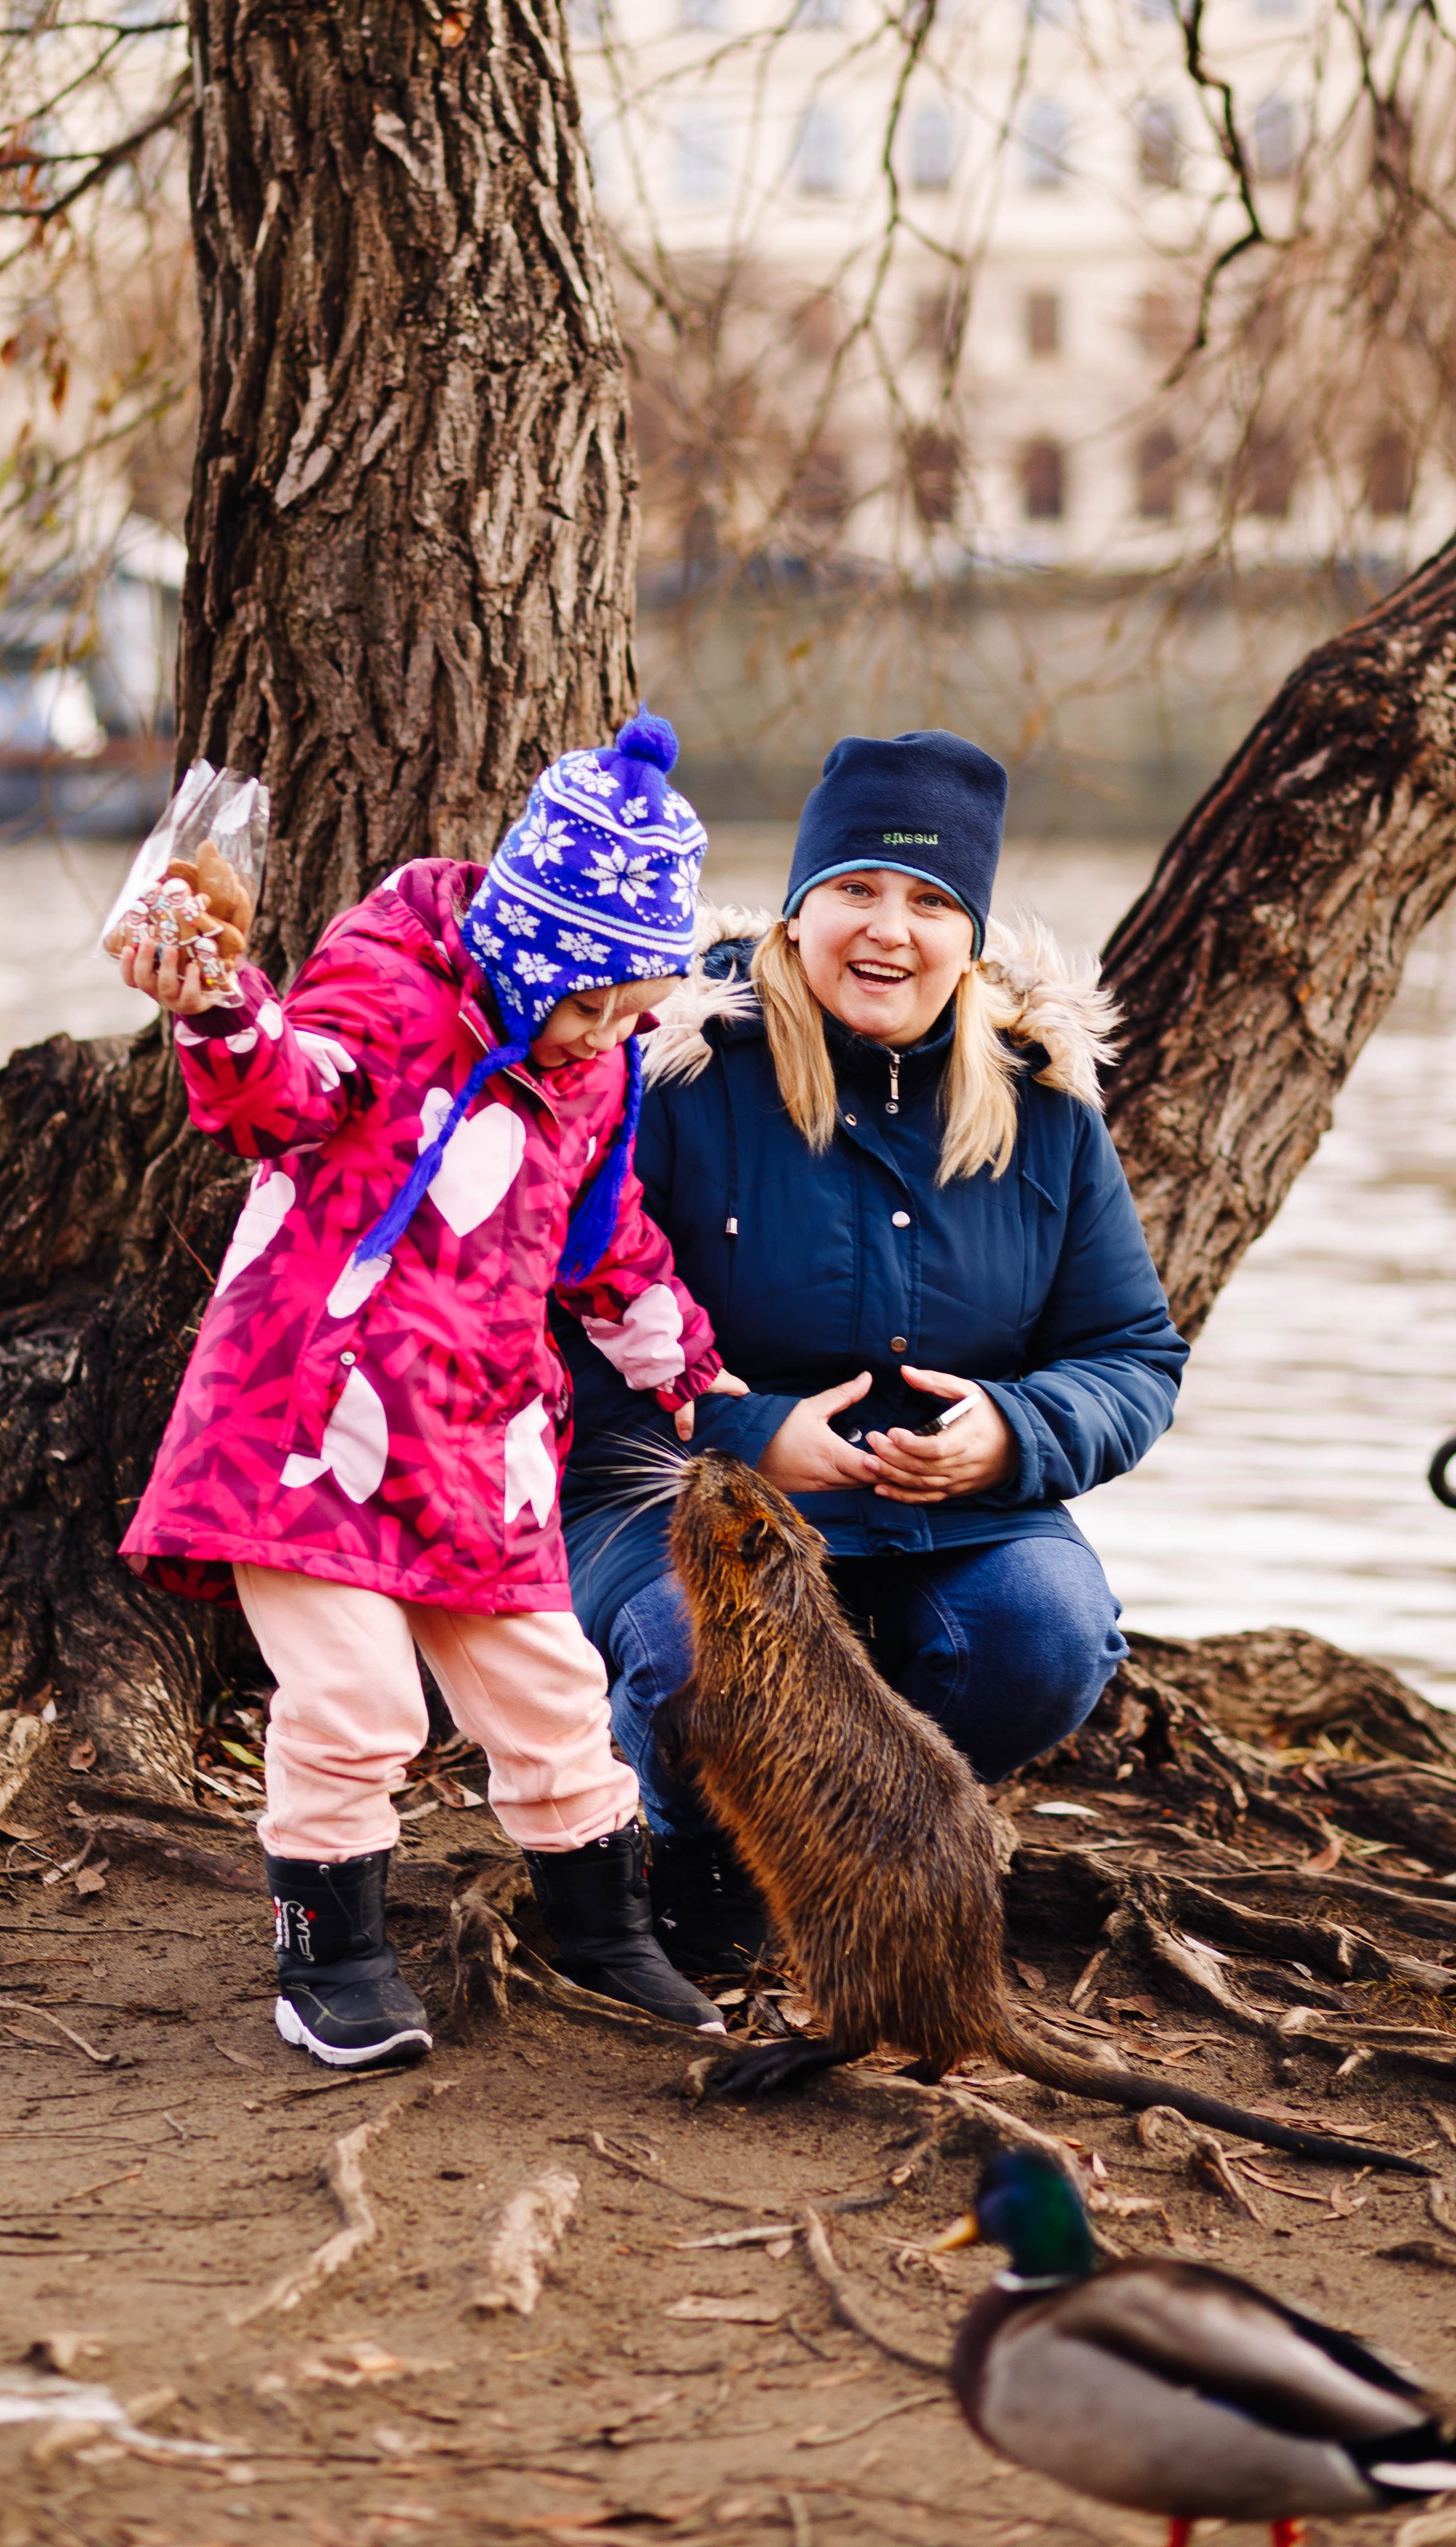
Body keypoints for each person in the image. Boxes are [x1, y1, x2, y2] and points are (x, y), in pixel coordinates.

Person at [122, 712, 748, 2065]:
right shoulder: (389, 996)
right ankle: (329, 1952)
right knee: (359, 1703)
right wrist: (223, 1009)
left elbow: (603, 1221)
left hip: (482, 1431)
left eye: (634, 1009)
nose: (607, 1034)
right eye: (591, 1004)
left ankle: (601, 1923)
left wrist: (662, 1337)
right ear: (529, 956)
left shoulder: (595, 1065)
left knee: (554, 1691)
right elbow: (283, 1094)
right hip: (310, 1418)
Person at [557, 727, 1188, 1979]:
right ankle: (700, 1861)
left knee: (1048, 1639)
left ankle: (867, 1867)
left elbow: (1132, 1354)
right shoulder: (670, 1079)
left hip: (954, 1520)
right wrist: (750, 1438)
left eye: (932, 900)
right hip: (687, 1500)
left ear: (973, 937)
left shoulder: (1044, 1110)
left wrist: (1015, 1434)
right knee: (694, 1657)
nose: (889, 929)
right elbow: (559, 1322)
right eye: (855, 888)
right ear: (797, 913)